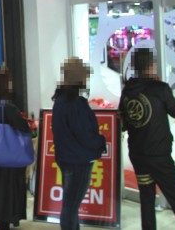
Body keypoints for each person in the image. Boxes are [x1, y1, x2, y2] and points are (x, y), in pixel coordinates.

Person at [119, 48, 175, 230]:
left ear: (134, 66)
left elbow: (123, 123)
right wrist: (162, 87)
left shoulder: (128, 90)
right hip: (159, 155)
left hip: (138, 154)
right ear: (151, 65)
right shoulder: (160, 88)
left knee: (146, 198)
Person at [52, 57, 106, 230]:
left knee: (70, 205)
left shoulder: (60, 100)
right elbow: (86, 136)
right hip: (78, 161)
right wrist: (101, 141)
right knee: (70, 206)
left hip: (67, 158)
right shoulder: (75, 104)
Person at [0, 69, 30, 230]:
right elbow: (23, 127)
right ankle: (2, 223)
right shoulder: (7, 107)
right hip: (10, 157)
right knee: (8, 192)